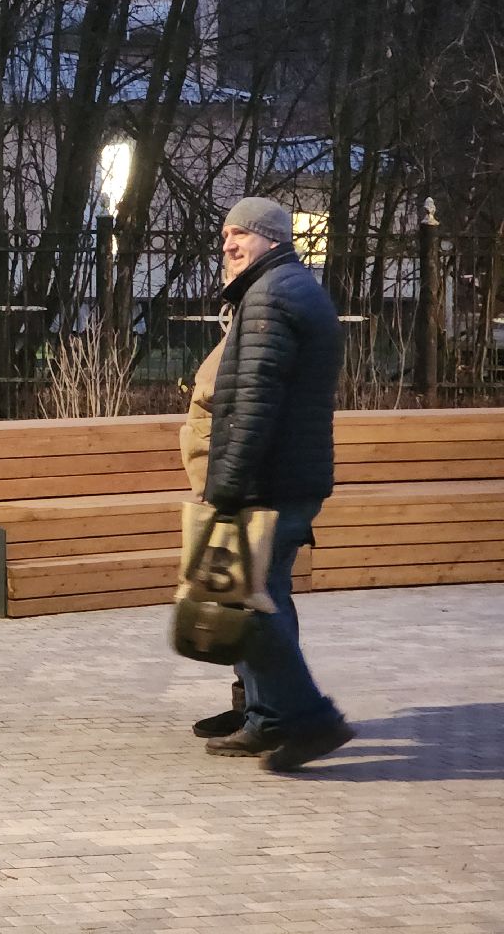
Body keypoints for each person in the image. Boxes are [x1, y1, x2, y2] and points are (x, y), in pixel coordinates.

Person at [198, 196, 354, 771]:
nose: (229, 245)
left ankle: (312, 720)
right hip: (286, 475)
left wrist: (230, 489)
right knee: (264, 595)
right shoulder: (288, 288)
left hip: (271, 479)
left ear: (271, 238)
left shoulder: (271, 296)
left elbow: (253, 406)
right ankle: (268, 720)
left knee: (253, 601)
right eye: (224, 237)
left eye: (240, 234)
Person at [178, 333, 246, 738]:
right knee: (246, 599)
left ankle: (263, 708)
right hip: (236, 487)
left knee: (252, 601)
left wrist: (212, 487)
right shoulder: (249, 326)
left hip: (241, 491)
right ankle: (253, 705)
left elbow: (208, 411)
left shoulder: (257, 327)